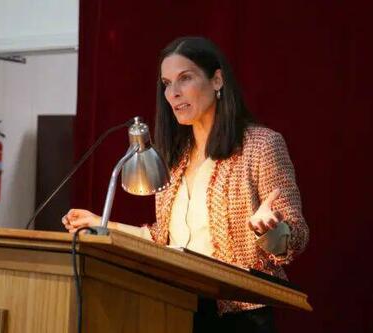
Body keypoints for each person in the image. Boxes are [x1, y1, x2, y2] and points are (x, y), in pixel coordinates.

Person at [62, 36, 309, 333]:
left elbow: (296, 236)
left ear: (217, 80)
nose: (173, 93)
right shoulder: (173, 159)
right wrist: (102, 225)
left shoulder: (261, 145)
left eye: (185, 79)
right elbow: (164, 240)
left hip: (238, 318)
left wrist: (271, 231)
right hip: (177, 307)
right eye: (166, 83)